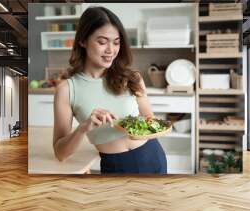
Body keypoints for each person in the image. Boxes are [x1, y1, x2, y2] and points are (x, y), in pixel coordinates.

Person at [53, 6, 167, 174]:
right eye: (102, 42)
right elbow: (60, 154)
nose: (110, 50)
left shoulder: (132, 78)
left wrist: (136, 127)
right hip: (115, 166)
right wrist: (83, 128)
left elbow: (151, 121)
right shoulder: (67, 89)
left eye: (116, 42)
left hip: (152, 156)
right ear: (83, 41)